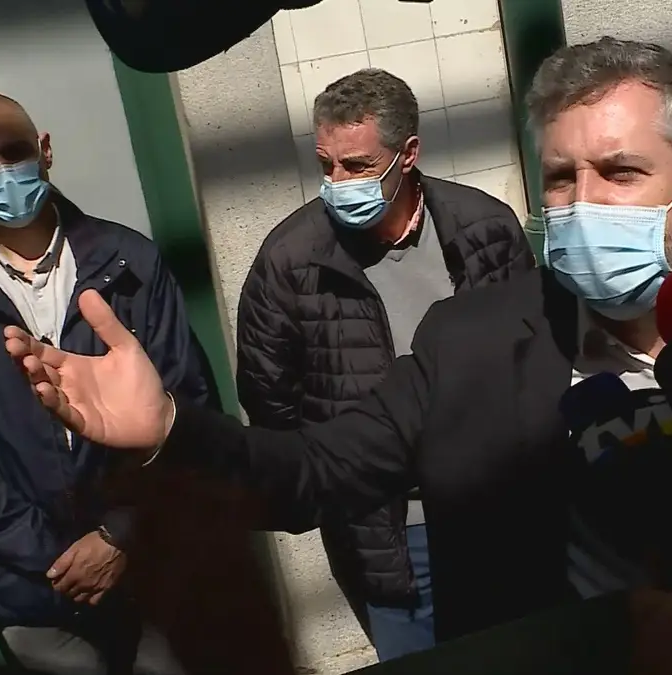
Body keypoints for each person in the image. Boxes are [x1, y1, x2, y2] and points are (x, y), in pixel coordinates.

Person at [1, 38, 672, 645]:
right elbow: (314, 470)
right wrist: (170, 431)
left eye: (619, 172)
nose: (583, 204)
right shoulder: (469, 341)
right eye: (561, 178)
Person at [0, 90, 206, 675]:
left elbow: (186, 402)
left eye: (14, 152)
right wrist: (50, 560)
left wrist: (118, 535)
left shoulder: (129, 261)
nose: (1, 172)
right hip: (27, 594)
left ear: (44, 151)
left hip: (150, 570)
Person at [235, 68, 533, 660]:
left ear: (409, 154)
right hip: (387, 532)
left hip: (500, 511)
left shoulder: (484, 229)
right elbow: (270, 402)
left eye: (358, 166)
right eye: (327, 166)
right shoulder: (291, 261)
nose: (338, 183)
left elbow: (534, 358)